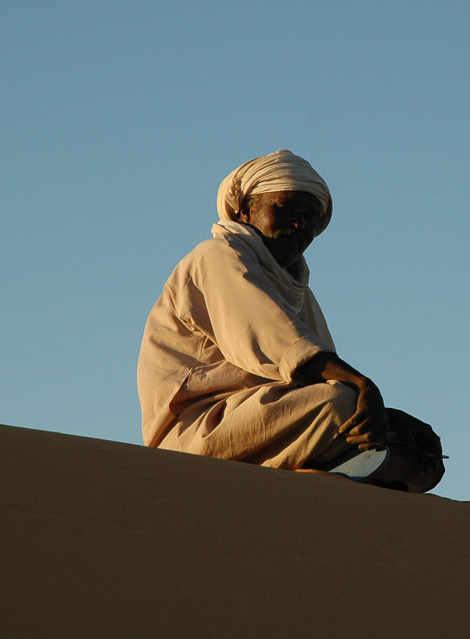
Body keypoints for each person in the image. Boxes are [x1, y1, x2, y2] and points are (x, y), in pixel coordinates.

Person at [137, 149, 443, 492]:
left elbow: (315, 378)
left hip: (269, 417)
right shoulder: (217, 256)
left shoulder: (295, 287)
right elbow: (282, 345)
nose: (300, 224)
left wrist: (391, 417)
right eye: (285, 208)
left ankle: (340, 465)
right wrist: (362, 386)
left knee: (406, 438)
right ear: (245, 211)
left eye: (310, 217)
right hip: (197, 434)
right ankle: (333, 465)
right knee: (342, 405)